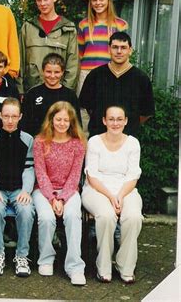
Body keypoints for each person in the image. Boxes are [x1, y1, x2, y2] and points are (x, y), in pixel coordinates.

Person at [82, 105, 142, 284]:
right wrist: (110, 196)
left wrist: (121, 196)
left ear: (125, 121)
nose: (115, 123)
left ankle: (125, 266)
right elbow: (91, 175)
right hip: (97, 190)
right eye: (111, 119)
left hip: (126, 189)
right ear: (104, 121)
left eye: (119, 119)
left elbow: (133, 176)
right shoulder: (94, 142)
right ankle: (104, 266)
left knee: (133, 217)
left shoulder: (133, 143)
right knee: (106, 216)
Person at [32, 101, 86, 286]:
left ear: (72, 122)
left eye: (66, 120)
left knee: (72, 216)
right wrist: (52, 198)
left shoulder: (78, 144)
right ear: (51, 119)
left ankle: (75, 266)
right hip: (43, 190)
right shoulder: (40, 142)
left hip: (69, 191)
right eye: (58, 119)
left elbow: (75, 176)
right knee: (46, 218)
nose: (62, 123)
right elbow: (40, 173)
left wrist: (62, 198)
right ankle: (46, 259)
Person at [0, 98, 35, 277]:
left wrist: (26, 191)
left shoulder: (28, 139)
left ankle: (22, 256)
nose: (10, 120)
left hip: (18, 190)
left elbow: (29, 168)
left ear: (20, 116)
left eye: (14, 116)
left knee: (27, 211)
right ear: (0, 115)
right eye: (6, 116)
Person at [79, 32, 155, 138]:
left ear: (130, 50)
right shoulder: (95, 75)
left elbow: (146, 112)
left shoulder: (141, 79)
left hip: (127, 139)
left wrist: (129, 126)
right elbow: (88, 106)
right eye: (115, 47)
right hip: (98, 137)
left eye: (123, 47)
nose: (119, 51)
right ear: (109, 49)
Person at [77, 0, 128, 133]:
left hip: (110, 73)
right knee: (85, 111)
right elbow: (79, 53)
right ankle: (87, 147)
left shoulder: (120, 25)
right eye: (94, 0)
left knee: (111, 110)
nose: (98, 3)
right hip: (86, 73)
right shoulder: (84, 24)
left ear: (108, 1)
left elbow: (123, 52)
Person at [19, 0, 78, 94]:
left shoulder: (68, 28)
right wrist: (20, 90)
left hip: (59, 92)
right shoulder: (28, 27)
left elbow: (73, 64)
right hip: (32, 91)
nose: (42, 3)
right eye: (39, 0)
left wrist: (66, 92)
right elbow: (20, 61)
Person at [22, 53, 81, 136]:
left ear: (62, 72)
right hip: (38, 144)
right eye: (49, 72)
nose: (52, 76)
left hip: (63, 144)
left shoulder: (70, 96)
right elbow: (25, 126)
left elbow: (76, 126)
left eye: (57, 72)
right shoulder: (32, 94)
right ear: (42, 71)